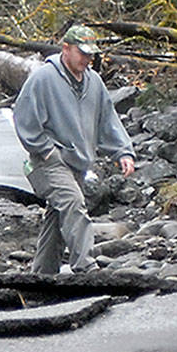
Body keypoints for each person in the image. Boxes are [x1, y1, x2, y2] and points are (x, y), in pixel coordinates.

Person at [12, 25, 136, 274]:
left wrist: (123, 151)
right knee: (72, 203)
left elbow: (107, 120)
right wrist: (46, 150)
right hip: (47, 162)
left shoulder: (94, 82)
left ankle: (42, 274)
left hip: (78, 164)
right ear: (65, 49)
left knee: (57, 218)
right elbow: (23, 117)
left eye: (91, 55)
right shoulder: (43, 78)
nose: (88, 59)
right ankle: (86, 266)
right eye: (83, 53)